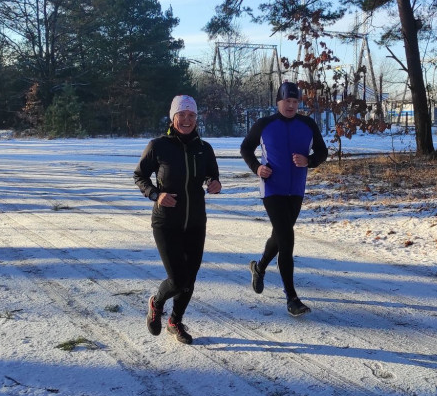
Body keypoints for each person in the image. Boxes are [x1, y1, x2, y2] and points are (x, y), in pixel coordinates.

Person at [134, 95, 221, 344]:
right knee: (177, 279)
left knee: (189, 279)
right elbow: (140, 176)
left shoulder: (204, 148)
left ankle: (175, 321)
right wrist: (155, 194)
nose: (186, 120)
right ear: (173, 118)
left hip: (195, 222)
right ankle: (156, 303)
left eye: (191, 115)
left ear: (196, 119)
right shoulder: (158, 146)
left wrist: (214, 184)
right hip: (166, 223)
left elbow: (212, 177)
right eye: (181, 115)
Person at [240, 81, 328, 316]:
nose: (290, 105)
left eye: (295, 101)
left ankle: (258, 267)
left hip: (296, 190)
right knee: (287, 238)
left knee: (279, 235)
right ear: (278, 102)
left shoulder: (308, 124)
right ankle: (292, 298)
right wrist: (257, 168)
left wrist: (309, 160)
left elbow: (322, 151)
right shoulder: (264, 124)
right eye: (286, 101)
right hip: (272, 189)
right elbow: (246, 148)